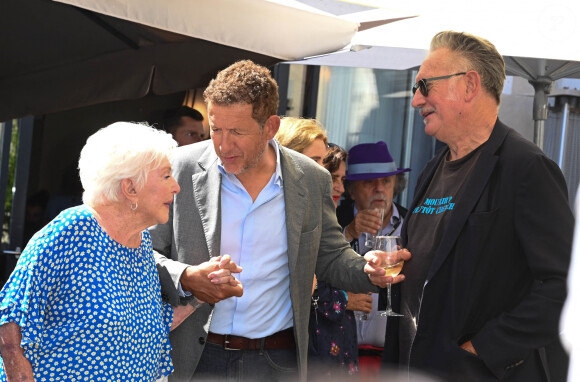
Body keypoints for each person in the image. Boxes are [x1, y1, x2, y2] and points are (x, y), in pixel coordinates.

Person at [150, 60, 408, 382]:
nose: (222, 145)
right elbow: (142, 252)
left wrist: (367, 269)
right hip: (194, 358)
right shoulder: (181, 167)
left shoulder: (311, 178)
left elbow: (329, 256)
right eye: (216, 129)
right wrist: (186, 275)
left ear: (270, 127)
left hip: (277, 361)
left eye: (237, 132)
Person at [383, 31, 574, 381]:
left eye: (425, 86)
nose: (415, 100)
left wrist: (482, 350)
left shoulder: (525, 168)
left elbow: (564, 285)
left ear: (469, 85)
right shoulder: (431, 169)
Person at [0, 122, 241, 381]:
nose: (176, 187)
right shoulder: (72, 230)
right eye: (165, 176)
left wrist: (205, 289)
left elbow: (151, 326)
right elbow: (10, 319)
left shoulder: (140, 243)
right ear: (130, 188)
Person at [335, 141, 410, 379]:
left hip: (391, 361)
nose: (380, 189)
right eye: (369, 182)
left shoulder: (414, 224)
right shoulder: (334, 220)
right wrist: (349, 231)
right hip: (336, 358)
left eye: (386, 181)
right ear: (351, 189)